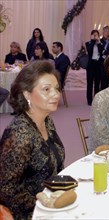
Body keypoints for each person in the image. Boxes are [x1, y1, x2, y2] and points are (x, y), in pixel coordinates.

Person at [0, 61, 65, 219]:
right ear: (26, 94)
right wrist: (45, 204)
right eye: (46, 89)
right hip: (32, 213)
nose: (56, 94)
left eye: (56, 88)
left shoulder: (47, 121)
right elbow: (6, 191)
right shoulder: (19, 134)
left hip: (54, 204)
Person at [85, 29, 104, 105]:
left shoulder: (101, 43)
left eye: (97, 35)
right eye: (94, 35)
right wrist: (93, 41)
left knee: (97, 83)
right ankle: (89, 101)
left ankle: (96, 99)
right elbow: (89, 51)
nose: (95, 36)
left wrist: (98, 42)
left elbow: (102, 51)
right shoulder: (88, 43)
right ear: (91, 35)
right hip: (90, 65)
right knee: (89, 83)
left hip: (98, 65)